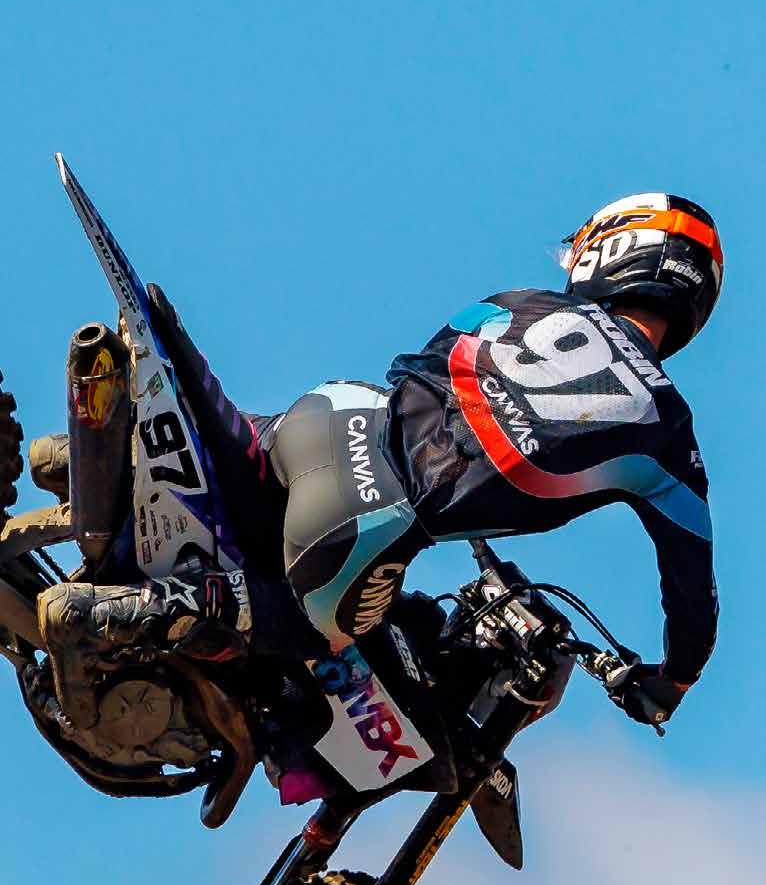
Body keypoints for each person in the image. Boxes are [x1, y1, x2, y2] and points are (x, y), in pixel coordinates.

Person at [38, 191, 722, 797]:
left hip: (339, 412)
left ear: (616, 252)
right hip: (371, 517)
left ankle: (99, 458)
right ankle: (133, 611)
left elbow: (426, 362)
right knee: (319, 629)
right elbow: (692, 587)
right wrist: (672, 680)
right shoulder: (667, 430)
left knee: (247, 463)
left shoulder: (520, 303)